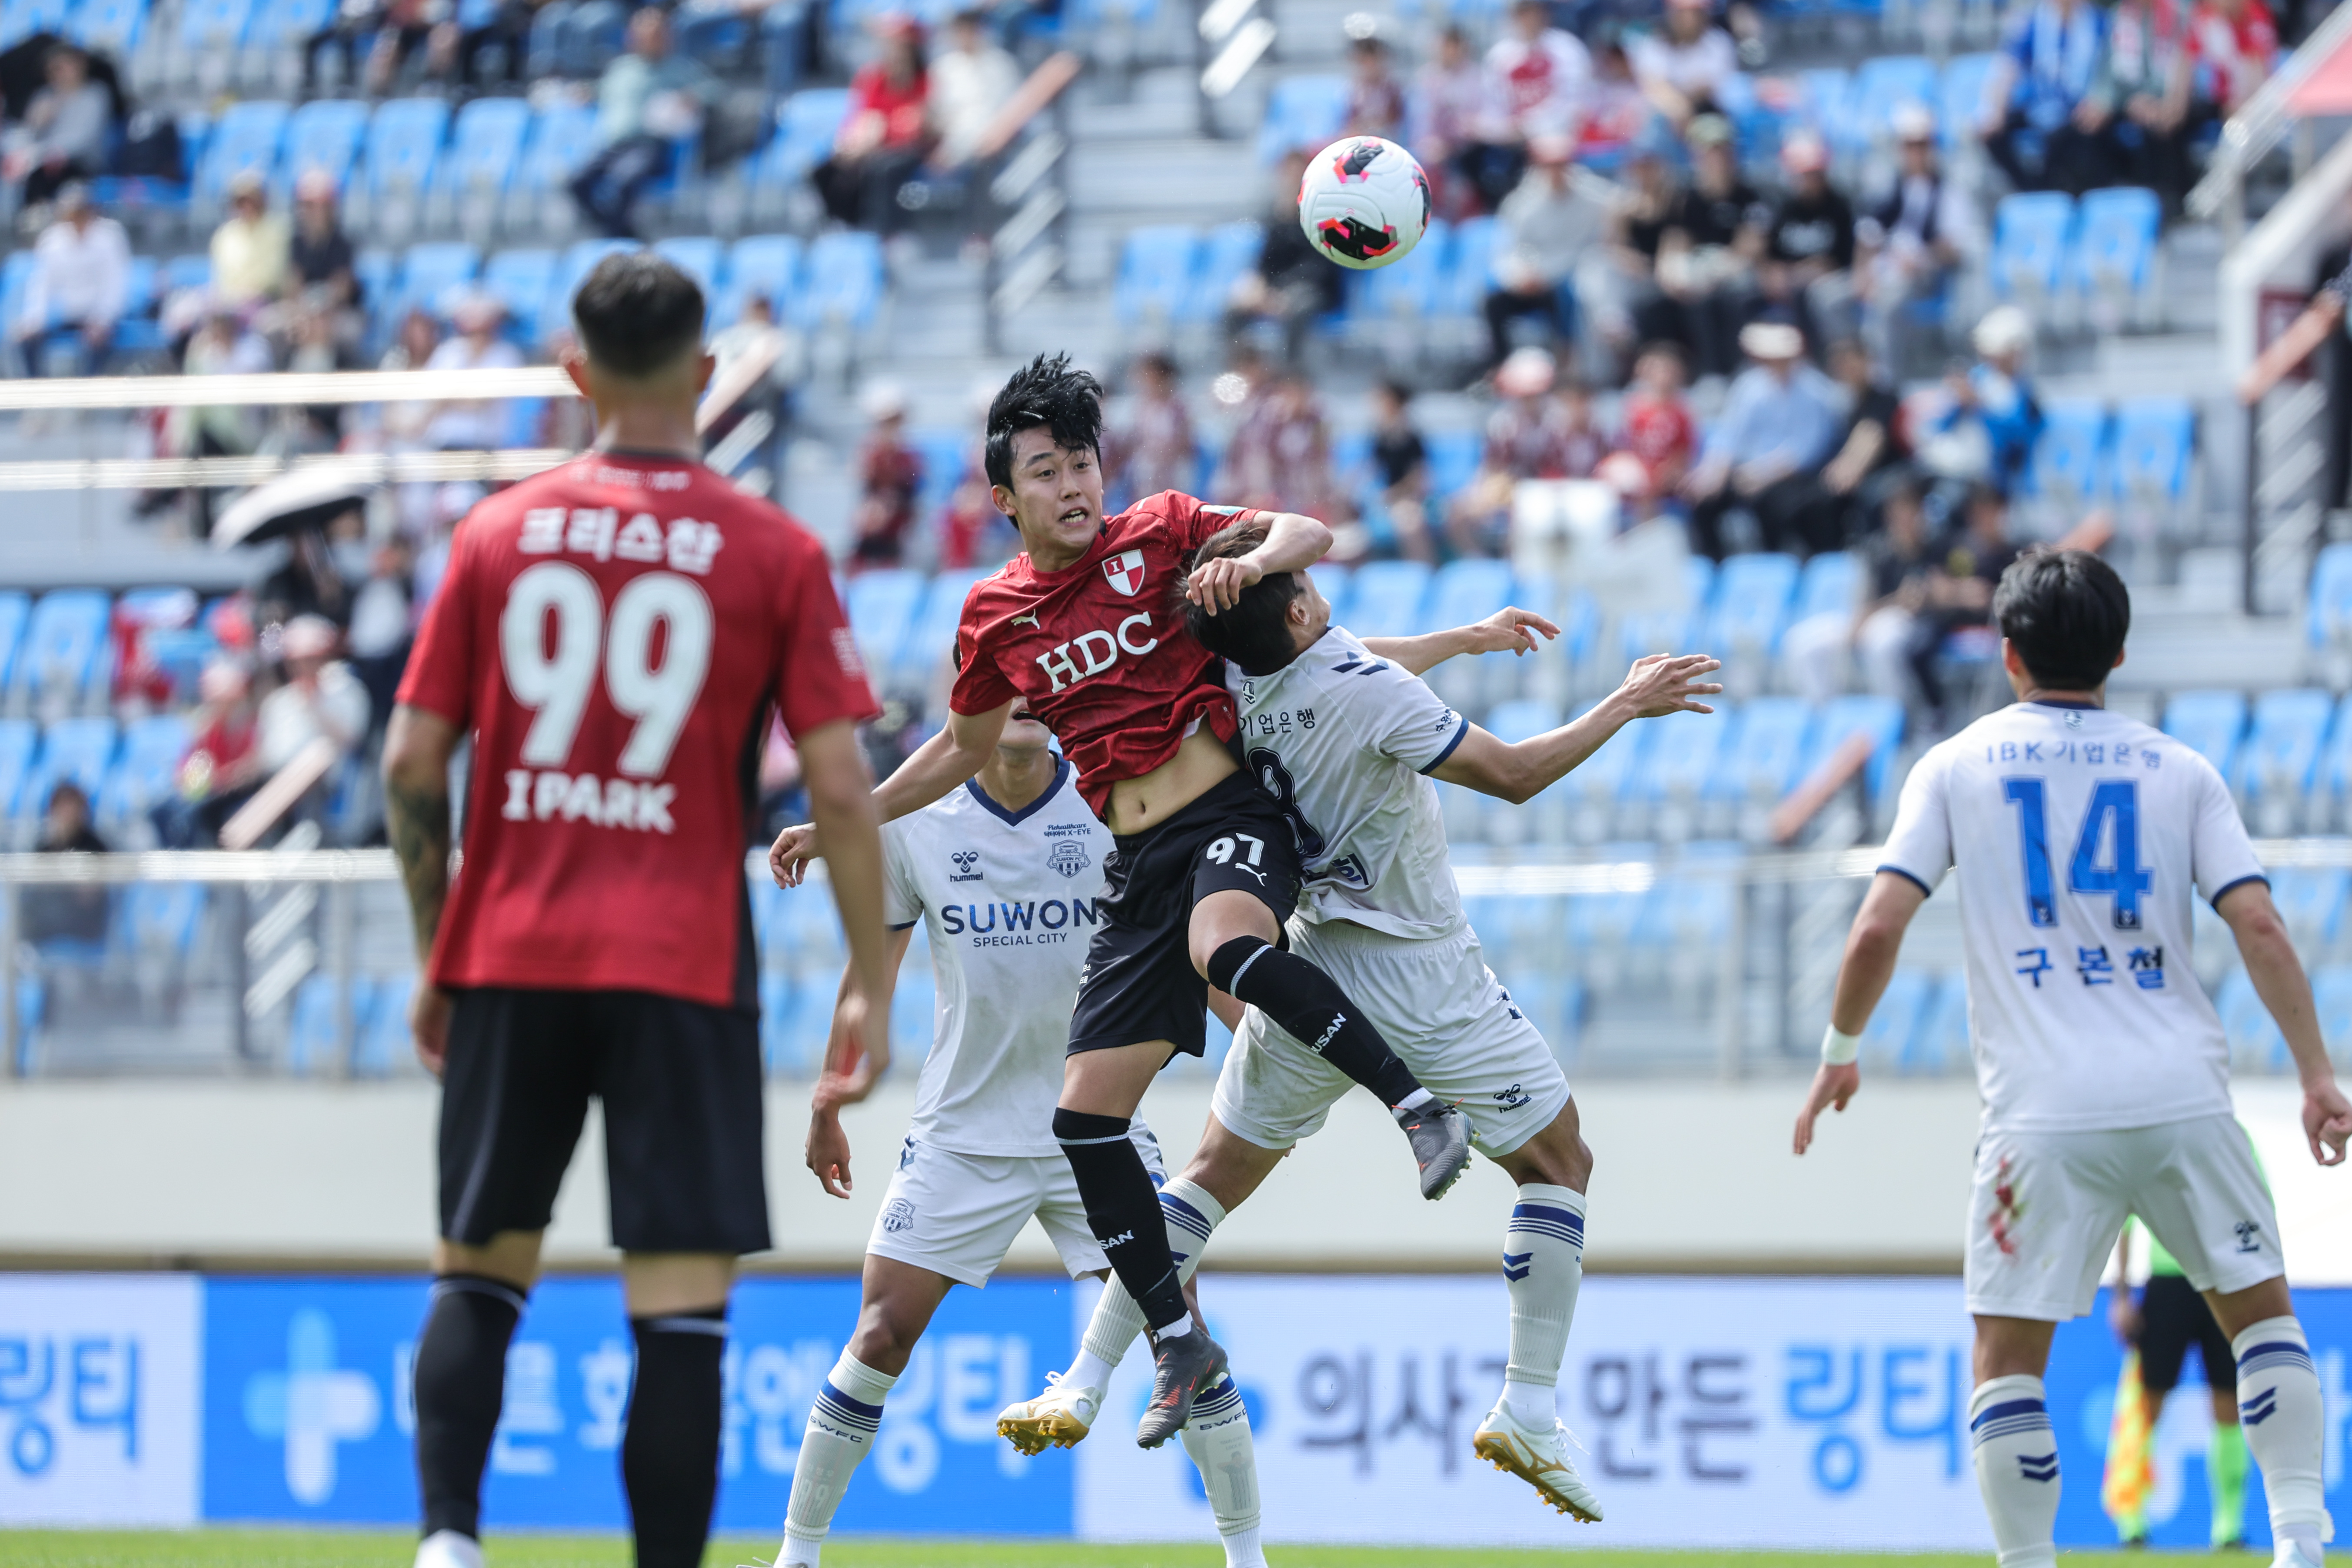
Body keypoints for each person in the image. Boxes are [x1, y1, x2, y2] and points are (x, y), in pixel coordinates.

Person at [770, 352, 1472, 1449]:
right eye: (1045, 471)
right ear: (1003, 497)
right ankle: (1179, 1344)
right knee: (1085, 1122)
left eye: (1082, 462)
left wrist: (1253, 560)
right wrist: (846, 821)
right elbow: (955, 752)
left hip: (1231, 819)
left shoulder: (1163, 534)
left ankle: (1416, 1105)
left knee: (1224, 947)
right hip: (1136, 866)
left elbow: (1307, 533)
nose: (1072, 485)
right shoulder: (995, 616)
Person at [998, 525, 1720, 1523]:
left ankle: (1084, 1375)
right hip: (1422, 972)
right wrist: (1626, 702)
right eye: (1302, 579)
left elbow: (1349, 658)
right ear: (1298, 607)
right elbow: (1512, 772)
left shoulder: (1231, 676)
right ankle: (1527, 1406)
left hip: (1309, 975)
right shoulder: (1370, 692)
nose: (1313, 582)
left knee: (1206, 1178)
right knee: (1559, 1161)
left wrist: (1460, 639)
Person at [381, 252, 895, 1568]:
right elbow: (842, 788)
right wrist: (868, 982)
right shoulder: (773, 549)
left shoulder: (496, 534)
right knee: (678, 1312)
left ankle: (448, 1543)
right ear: (708, 373)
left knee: (478, 1264)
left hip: (512, 950)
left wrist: (440, 946)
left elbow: (410, 763)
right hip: (682, 961)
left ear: (575, 374)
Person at [1792, 548, 2352, 1568]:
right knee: (2263, 1322)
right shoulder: (2180, 769)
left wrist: (1840, 1049)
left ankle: (2027, 1563)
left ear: (2006, 654)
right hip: (2183, 1096)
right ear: (2119, 654)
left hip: (2039, 1114)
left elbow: (1874, 928)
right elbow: (2260, 925)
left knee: (2006, 1359)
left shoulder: (1953, 766)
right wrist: (2316, 1073)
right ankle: (2300, 1546)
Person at [775, 699, 1266, 1568]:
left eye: (1038, 681)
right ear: (969, 702)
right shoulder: (915, 821)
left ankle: (1246, 1557)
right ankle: (796, 1557)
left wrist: (1270, 1047)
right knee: (881, 1331)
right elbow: (869, 978)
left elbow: (1193, 945)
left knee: (1180, 1330)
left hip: (1100, 1126)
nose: (1025, 700)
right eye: (1003, 685)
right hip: (962, 1133)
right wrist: (827, 1097)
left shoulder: (1116, 802)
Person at [2110, 1211, 2255, 1548]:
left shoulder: (2241, 1168)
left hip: (2223, 1283)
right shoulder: (2148, 1170)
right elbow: (2123, 1219)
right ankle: (2132, 1520)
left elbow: (2255, 1216)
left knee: (2228, 1404)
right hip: (2168, 1284)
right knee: (2147, 1405)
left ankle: (2229, 1526)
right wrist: (2121, 1297)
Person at [1681, 320, 1847, 559]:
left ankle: (1776, 562)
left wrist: (1763, 474)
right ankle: (1715, 561)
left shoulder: (1815, 391)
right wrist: (1715, 472)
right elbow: (1730, 433)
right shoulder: (1749, 385)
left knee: (1774, 503)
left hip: (1792, 477)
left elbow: (1807, 451)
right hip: (1746, 471)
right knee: (1705, 500)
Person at [1780, 476, 1934, 705]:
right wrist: (1857, 628)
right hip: (1870, 617)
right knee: (1802, 643)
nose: (1906, 517)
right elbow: (1865, 602)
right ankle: (1824, 714)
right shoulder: (1877, 550)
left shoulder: (1934, 548)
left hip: (1912, 625)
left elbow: (1923, 601)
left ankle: (1898, 713)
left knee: (1883, 641)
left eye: (1911, 509)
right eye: (1899, 509)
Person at [569, 8, 719, 241]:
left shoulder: (679, 68)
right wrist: (583, 93)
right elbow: (599, 90)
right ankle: (617, 232)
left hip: (650, 145)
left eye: (657, 35)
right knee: (576, 182)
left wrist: (690, 98)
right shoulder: (621, 69)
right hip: (614, 145)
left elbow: (712, 91)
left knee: (624, 181)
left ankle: (620, 237)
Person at [1635, 113, 1765, 381]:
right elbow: (1675, 242)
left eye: (1721, 150)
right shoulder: (1687, 196)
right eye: (1709, 151)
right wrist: (1671, 273)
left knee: (1730, 296)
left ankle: (1735, 371)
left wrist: (1716, 273)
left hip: (1737, 268)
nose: (1716, 158)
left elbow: (1751, 245)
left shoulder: (1750, 194)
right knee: (1656, 305)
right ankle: (1687, 375)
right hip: (1700, 268)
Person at [1855, 103, 1979, 373]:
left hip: (1924, 275)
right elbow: (1869, 233)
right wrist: (1862, 272)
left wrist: (1921, 259)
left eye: (1922, 145)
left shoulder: (1949, 193)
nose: (1916, 152)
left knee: (1888, 303)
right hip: (1884, 270)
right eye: (1909, 145)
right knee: (1832, 299)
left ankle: (1887, 377)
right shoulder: (1890, 189)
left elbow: (1954, 247)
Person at [1483, 135, 1607, 369]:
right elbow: (1512, 248)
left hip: (1570, 278)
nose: (1556, 172)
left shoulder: (1593, 197)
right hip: (1533, 279)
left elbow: (1597, 241)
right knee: (1494, 302)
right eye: (1550, 166)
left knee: (1570, 296)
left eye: (1561, 164)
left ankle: (1567, 361)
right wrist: (1523, 273)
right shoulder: (1523, 203)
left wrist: (1550, 273)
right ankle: (1501, 366)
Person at [1903, 483, 2019, 730]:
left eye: (1991, 510)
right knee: (1916, 646)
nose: (1985, 517)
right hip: (1953, 618)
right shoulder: (1956, 547)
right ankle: (1934, 712)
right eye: (1979, 510)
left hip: (1992, 623)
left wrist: (1988, 597)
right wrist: (1961, 593)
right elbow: (1934, 584)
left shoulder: (2013, 552)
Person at [1461, 0, 1591, 211]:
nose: (1527, 19)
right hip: (1513, 142)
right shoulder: (1500, 55)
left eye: (1531, 12)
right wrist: (1491, 127)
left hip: (1558, 135)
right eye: (1521, 13)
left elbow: (1573, 104)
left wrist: (1528, 125)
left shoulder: (1567, 49)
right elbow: (1494, 107)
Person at [1981, 0, 2115, 196]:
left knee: (2072, 135)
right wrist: (1995, 110)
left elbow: (2112, 70)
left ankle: (2063, 194)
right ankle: (2033, 192)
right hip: (2042, 108)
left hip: (2083, 109)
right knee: (1995, 134)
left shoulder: (2100, 22)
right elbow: (2008, 67)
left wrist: (2101, 101)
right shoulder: (2034, 22)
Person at [1225, 150, 1345, 364]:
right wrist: (1260, 286)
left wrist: (1282, 293)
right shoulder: (1276, 218)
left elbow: (1320, 266)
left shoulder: (1324, 216)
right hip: (1279, 288)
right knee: (1234, 310)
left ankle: (1291, 372)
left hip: (1314, 288)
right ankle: (1241, 368)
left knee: (1298, 310)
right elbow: (1267, 260)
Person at [813, 15, 929, 233]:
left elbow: (916, 125)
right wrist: (852, 142)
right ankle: (843, 226)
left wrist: (882, 135)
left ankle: (887, 234)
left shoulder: (924, 80)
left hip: (907, 147)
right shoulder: (875, 78)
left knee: (880, 169)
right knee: (826, 170)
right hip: (872, 142)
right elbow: (862, 115)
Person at [13, 183, 126, 377]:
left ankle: (91, 390)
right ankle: (38, 387)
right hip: (65, 313)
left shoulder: (109, 239)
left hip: (98, 313)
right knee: (26, 341)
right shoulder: (52, 241)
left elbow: (115, 285)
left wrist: (103, 321)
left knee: (98, 343)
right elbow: (42, 284)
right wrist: (34, 320)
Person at [1759, 130, 1856, 354]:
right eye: (1805, 174)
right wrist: (1774, 272)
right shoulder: (1783, 208)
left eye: (1815, 173)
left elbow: (1839, 260)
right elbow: (1771, 257)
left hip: (1831, 279)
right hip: (1792, 279)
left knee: (1817, 295)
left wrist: (1804, 271)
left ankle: (1826, 358)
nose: (1811, 181)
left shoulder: (1840, 207)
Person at [256, 615, 371, 783]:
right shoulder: (278, 702)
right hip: (282, 783)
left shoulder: (346, 689)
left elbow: (352, 739)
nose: (304, 667)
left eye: (311, 659)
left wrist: (314, 702)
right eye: (296, 661)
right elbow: (270, 756)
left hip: (332, 785)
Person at [7, 45, 113, 208]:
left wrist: (43, 152)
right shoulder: (44, 95)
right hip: (41, 162)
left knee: (46, 175)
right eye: (52, 70)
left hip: (81, 164)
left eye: (61, 68)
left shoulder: (94, 95)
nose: (57, 74)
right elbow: (25, 137)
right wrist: (36, 123)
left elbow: (82, 140)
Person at [421, 294, 524, 451]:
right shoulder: (449, 351)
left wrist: (447, 399)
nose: (477, 335)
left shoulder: (507, 354)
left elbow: (478, 401)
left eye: (483, 329)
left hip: (485, 445)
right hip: (444, 442)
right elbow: (431, 396)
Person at [924, 8, 1018, 173]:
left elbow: (1009, 110)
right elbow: (938, 113)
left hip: (993, 142)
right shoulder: (943, 67)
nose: (966, 36)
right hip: (952, 144)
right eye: (961, 31)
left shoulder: (1001, 65)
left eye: (970, 30)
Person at [24, 780, 110, 948]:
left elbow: (91, 896)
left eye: (72, 806)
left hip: (83, 927)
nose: (67, 813)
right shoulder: (44, 848)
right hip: (47, 928)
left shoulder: (96, 846)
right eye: (62, 807)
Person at [1628, 0, 1739, 130]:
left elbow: (1712, 86)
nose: (1689, 19)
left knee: (1738, 98)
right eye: (1683, 13)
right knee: (1652, 116)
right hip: (1670, 114)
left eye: (1695, 13)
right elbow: (1654, 87)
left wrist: (1687, 104)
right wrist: (1681, 109)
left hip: (1711, 109)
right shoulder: (1654, 44)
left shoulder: (1718, 42)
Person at [1106, 351, 1194, 510]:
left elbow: (1186, 444)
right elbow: (1132, 443)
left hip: (1171, 473)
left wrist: (1163, 454)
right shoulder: (1141, 407)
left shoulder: (1178, 408)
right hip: (1145, 475)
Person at [851, 382, 923, 569]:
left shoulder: (909, 455)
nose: (888, 428)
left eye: (893, 421)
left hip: (900, 520)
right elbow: (864, 483)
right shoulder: (869, 453)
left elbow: (910, 490)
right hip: (876, 518)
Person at [1616, 340, 1697, 498]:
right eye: (1656, 369)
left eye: (1666, 370)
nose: (1661, 376)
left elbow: (1684, 454)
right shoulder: (1632, 408)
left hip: (1667, 478)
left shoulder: (1682, 412)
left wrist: (1664, 475)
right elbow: (1623, 446)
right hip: (1636, 473)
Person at [1367, 377, 1434, 562]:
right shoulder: (1380, 436)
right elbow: (1371, 468)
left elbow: (1419, 478)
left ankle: (1423, 568)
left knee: (1410, 524)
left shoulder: (1411, 438)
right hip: (1389, 498)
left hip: (1408, 498)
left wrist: (1393, 494)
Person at [211, 170, 290, 310]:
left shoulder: (278, 230)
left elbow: (273, 274)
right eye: (241, 202)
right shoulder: (225, 235)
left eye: (252, 201)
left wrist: (246, 293)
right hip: (230, 302)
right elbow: (223, 276)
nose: (247, 207)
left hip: (267, 301)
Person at [1341, 23, 1406, 139]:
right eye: (1363, 61)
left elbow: (1395, 122)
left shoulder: (1393, 90)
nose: (1368, 66)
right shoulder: (1351, 91)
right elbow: (1348, 123)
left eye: (1372, 60)